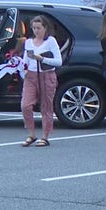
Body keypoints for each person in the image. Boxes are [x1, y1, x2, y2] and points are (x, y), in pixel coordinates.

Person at [20, 15, 62, 147]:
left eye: (39, 28)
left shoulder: (51, 41)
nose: (36, 31)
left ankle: (45, 136)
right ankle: (31, 134)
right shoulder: (28, 42)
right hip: (31, 76)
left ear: (45, 28)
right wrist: (24, 71)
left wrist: (42, 59)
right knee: (25, 105)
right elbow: (25, 60)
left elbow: (59, 61)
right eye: (34, 28)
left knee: (46, 106)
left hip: (46, 75)